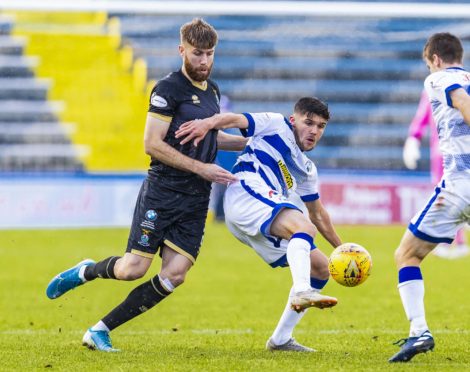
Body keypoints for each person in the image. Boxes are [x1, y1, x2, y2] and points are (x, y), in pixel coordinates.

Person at [45, 18, 246, 352]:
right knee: (132, 270)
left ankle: (99, 330)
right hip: (164, 189)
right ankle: (86, 271)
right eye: (197, 54)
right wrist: (202, 167)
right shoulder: (168, 90)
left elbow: (213, 136)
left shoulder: (212, 91)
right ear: (182, 50)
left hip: (196, 197)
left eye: (210, 54)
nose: (204, 61)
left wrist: (250, 143)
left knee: (176, 274)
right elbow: (152, 144)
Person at [176, 97, 342, 352]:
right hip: (246, 192)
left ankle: (281, 339)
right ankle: (302, 290)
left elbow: (318, 213)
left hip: (260, 210)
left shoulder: (307, 169)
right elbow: (234, 119)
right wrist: (206, 124)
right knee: (303, 227)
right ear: (293, 120)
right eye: (308, 123)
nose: (314, 131)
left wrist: (342, 249)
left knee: (320, 268)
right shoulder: (275, 124)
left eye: (320, 126)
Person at [389, 32, 470, 363]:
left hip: (459, 187)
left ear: (435, 59)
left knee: (406, 254)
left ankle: (419, 331)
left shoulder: (438, 79)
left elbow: (462, 103)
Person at [403, 90, 469, 259]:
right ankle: (456, 241)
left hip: (445, 151)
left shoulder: (434, 86)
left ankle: (451, 241)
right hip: (454, 150)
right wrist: (414, 138)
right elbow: (423, 115)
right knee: (455, 194)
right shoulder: (460, 84)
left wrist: (414, 137)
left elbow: (422, 114)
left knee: (449, 195)